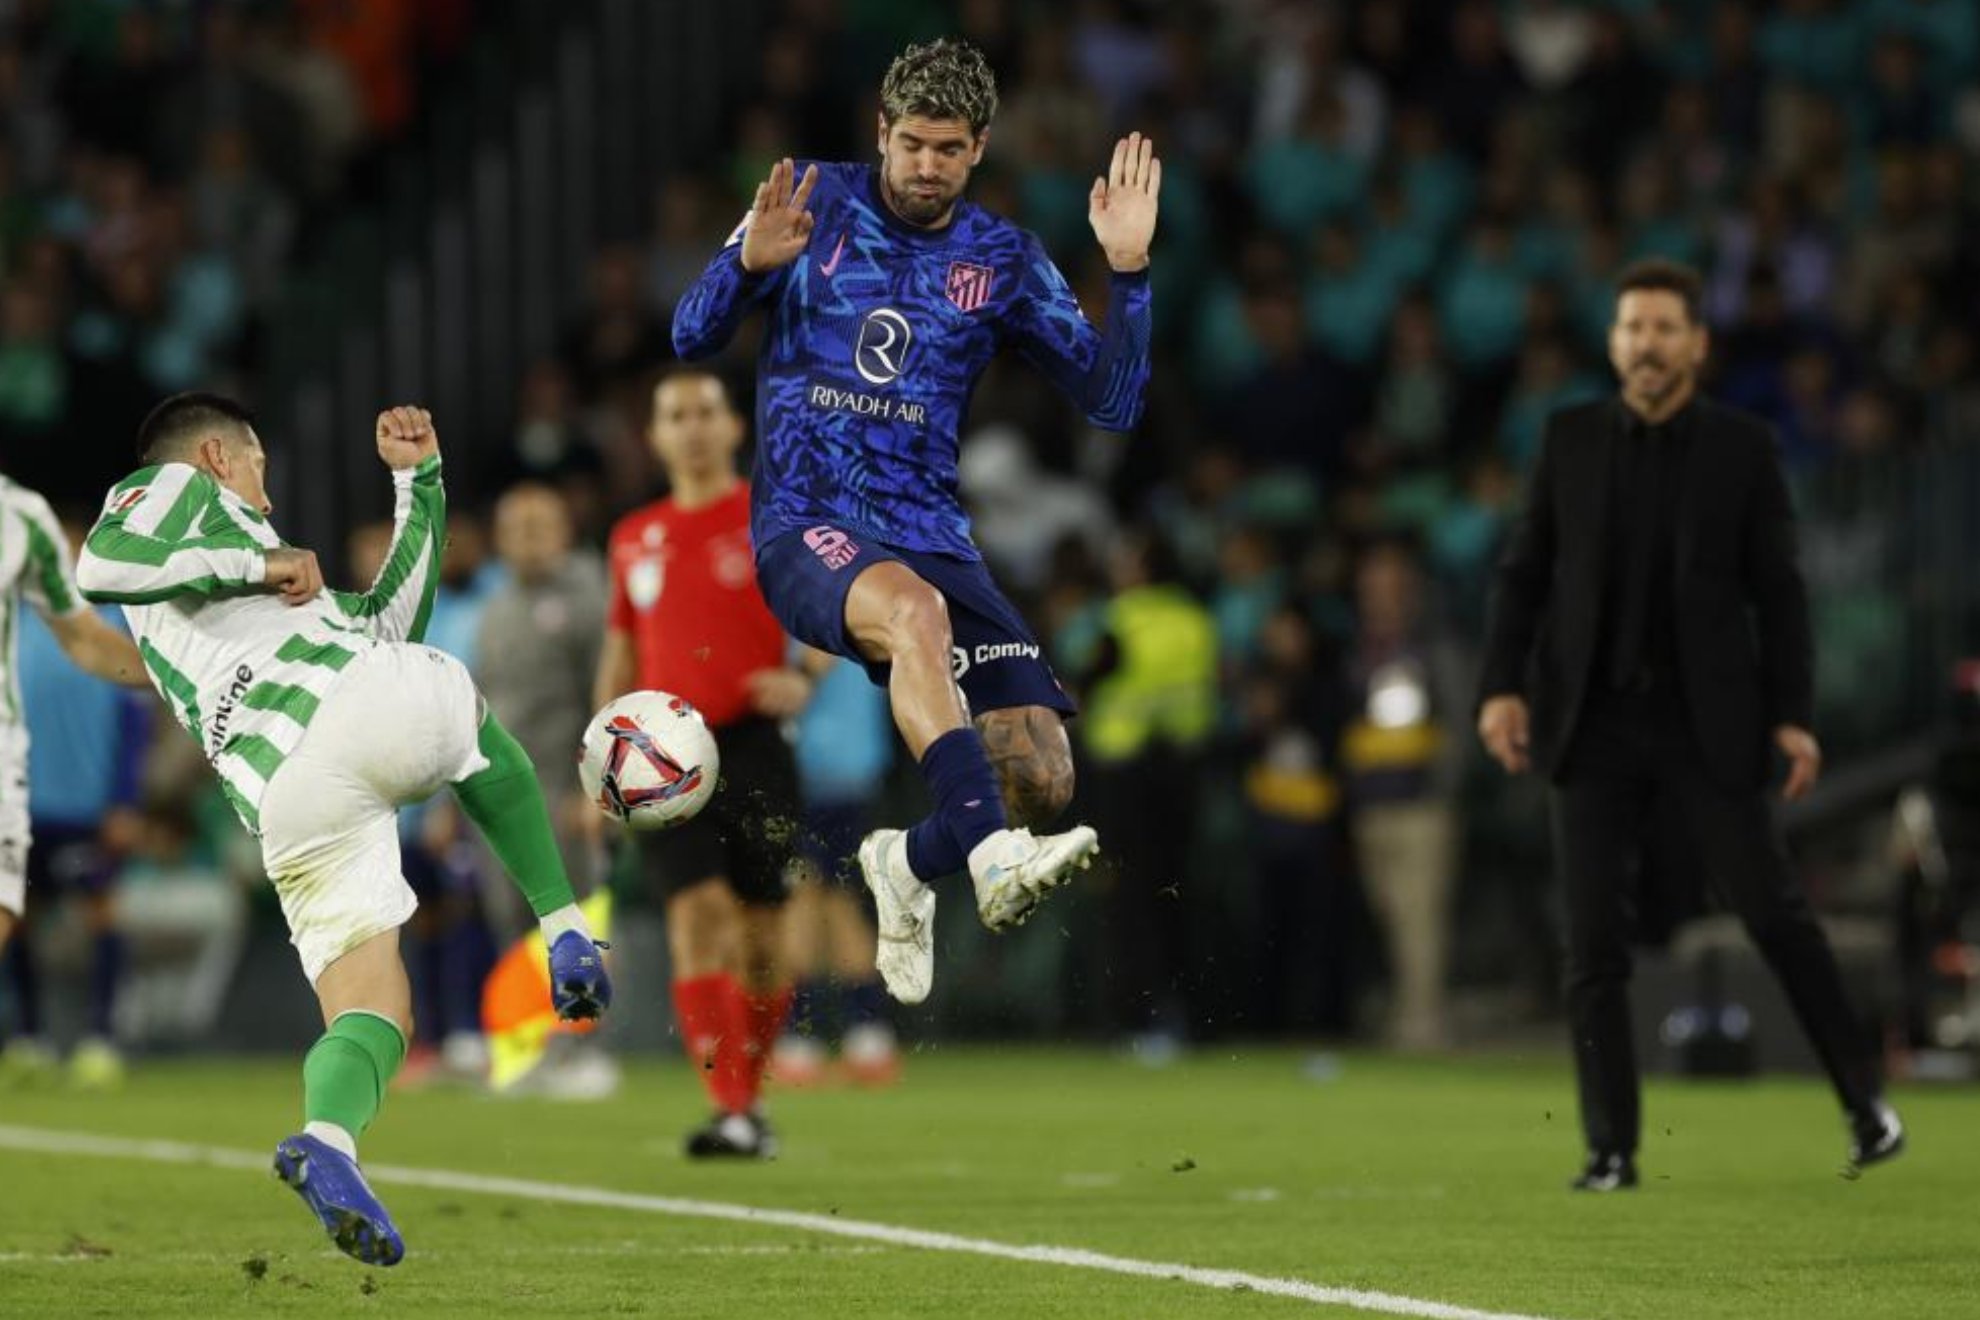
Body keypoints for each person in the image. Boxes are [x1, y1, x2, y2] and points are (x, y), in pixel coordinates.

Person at [672, 37, 1159, 1003]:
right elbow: (691, 333)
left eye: (949, 149)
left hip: (932, 532)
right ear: (881, 133)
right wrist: (742, 265)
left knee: (1043, 781)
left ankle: (906, 861)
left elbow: (1114, 402)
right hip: (808, 523)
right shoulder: (809, 198)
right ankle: (987, 866)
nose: (927, 167)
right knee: (916, 619)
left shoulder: (1003, 260)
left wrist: (1132, 272)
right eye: (912, 145)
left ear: (979, 148)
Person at [75, 392, 612, 1265]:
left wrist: (418, 486)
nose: (269, 496)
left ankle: (328, 1139)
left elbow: (391, 621)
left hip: (286, 790)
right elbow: (100, 563)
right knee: (465, 717)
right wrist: (257, 565)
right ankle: (565, 925)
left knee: (376, 1009)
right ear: (215, 456)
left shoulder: (249, 592)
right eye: (258, 468)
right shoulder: (171, 489)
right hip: (340, 707)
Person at [1475, 260, 1903, 1190]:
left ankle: (1867, 1105)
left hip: (1707, 725)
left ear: (1698, 346)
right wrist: (1500, 688)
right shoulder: (1570, 438)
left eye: (1666, 328)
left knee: (1776, 916)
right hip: (1590, 724)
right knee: (1591, 944)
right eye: (1633, 327)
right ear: (1614, 340)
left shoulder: (1743, 450)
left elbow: (1780, 598)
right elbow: (1523, 576)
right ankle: (1610, 1150)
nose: (1647, 343)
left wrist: (1793, 716)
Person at [594, 367, 816, 1158]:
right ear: (653, 437)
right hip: (660, 757)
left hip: (754, 742)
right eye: (674, 414)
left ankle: (747, 1104)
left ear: (732, 428)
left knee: (762, 935)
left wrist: (804, 675)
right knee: (698, 917)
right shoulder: (633, 536)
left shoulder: (772, 517)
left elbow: (832, 611)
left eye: (704, 412)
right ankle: (728, 1109)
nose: (690, 427)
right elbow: (621, 648)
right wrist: (600, 758)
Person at [3, 586, 152, 1088]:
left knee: (100, 914)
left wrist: (125, 799)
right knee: (18, 918)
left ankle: (101, 1038)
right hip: (21, 805)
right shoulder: (13, 622)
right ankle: (28, 1038)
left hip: (87, 807)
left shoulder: (110, 623)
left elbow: (135, 715)